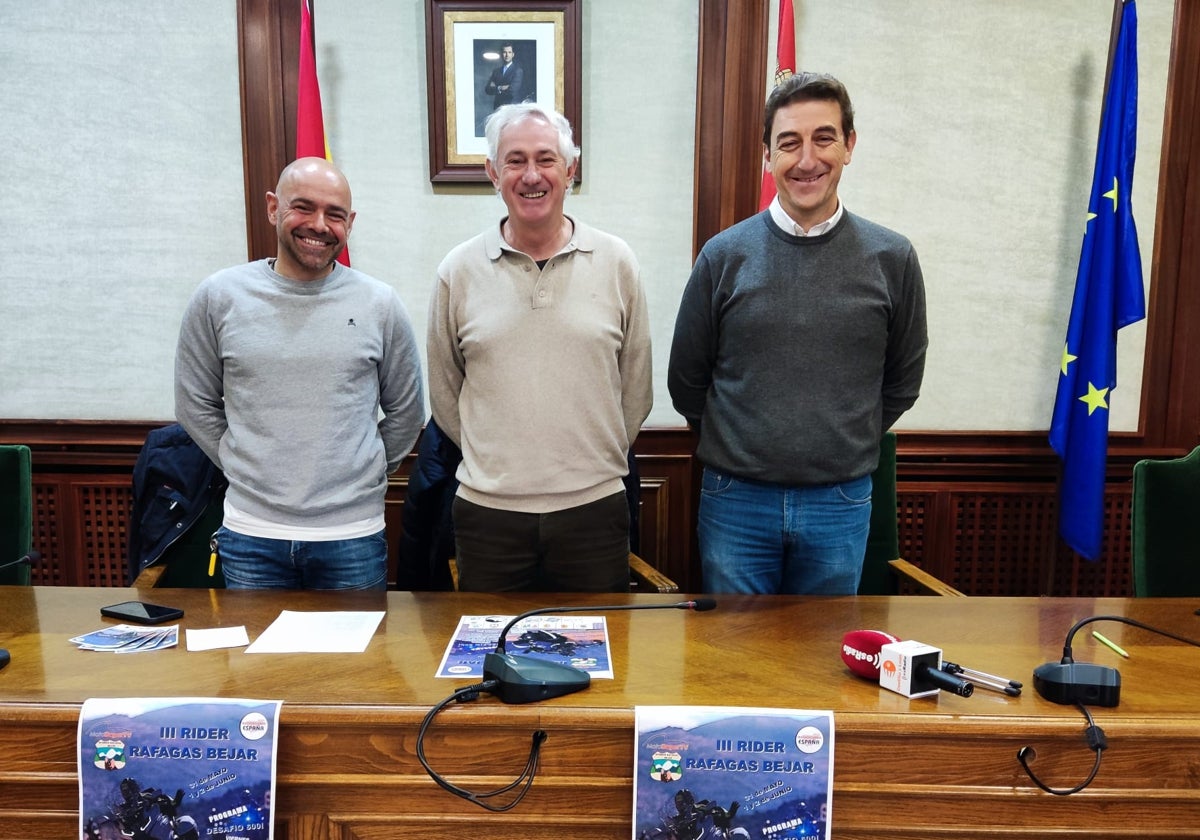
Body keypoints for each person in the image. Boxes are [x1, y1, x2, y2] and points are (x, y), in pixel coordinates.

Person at [667, 72, 927, 596]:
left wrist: (837, 443)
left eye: (824, 138)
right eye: (789, 143)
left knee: (821, 663)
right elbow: (686, 380)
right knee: (738, 662)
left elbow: (902, 380)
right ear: (768, 156)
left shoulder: (892, 258)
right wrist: (746, 446)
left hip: (841, 501)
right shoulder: (723, 256)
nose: (807, 160)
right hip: (735, 499)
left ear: (849, 146)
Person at [427, 102, 652, 592]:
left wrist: (590, 462)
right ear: (492, 172)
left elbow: (636, 387)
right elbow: (445, 393)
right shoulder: (458, 270)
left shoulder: (617, 262)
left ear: (570, 169)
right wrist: (501, 463)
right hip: (489, 518)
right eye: (515, 160)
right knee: (495, 662)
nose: (532, 175)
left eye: (546, 159)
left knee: (597, 662)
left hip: (594, 513)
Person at [175, 157, 425, 590]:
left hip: (352, 536)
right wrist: (242, 462)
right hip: (251, 534)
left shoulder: (379, 304)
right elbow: (193, 403)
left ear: (351, 222)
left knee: (357, 661)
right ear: (273, 208)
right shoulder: (220, 296)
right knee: (257, 661)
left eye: (335, 214)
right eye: (303, 207)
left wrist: (362, 469)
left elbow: (406, 410)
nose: (319, 224)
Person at [484, 43, 524, 110]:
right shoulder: (496, 71)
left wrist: (496, 88)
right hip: (498, 108)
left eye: (509, 52)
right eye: (504, 52)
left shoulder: (518, 71)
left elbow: (512, 91)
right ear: (501, 54)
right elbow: (487, 89)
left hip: (511, 108)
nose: (507, 55)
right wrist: (501, 87)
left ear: (513, 54)